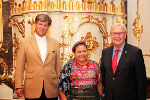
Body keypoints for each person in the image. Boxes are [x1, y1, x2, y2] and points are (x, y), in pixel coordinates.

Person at [15, 14, 62, 100]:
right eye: (40, 24)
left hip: (51, 87)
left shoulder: (55, 43)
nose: (42, 27)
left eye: (45, 25)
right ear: (35, 24)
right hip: (32, 87)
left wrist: (61, 86)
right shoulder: (24, 42)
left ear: (48, 27)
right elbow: (19, 66)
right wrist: (18, 85)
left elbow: (58, 66)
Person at [100, 23, 147, 100]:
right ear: (110, 35)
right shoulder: (105, 52)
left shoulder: (135, 52)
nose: (117, 36)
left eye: (120, 33)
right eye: (114, 33)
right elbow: (103, 76)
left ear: (125, 34)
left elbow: (141, 81)